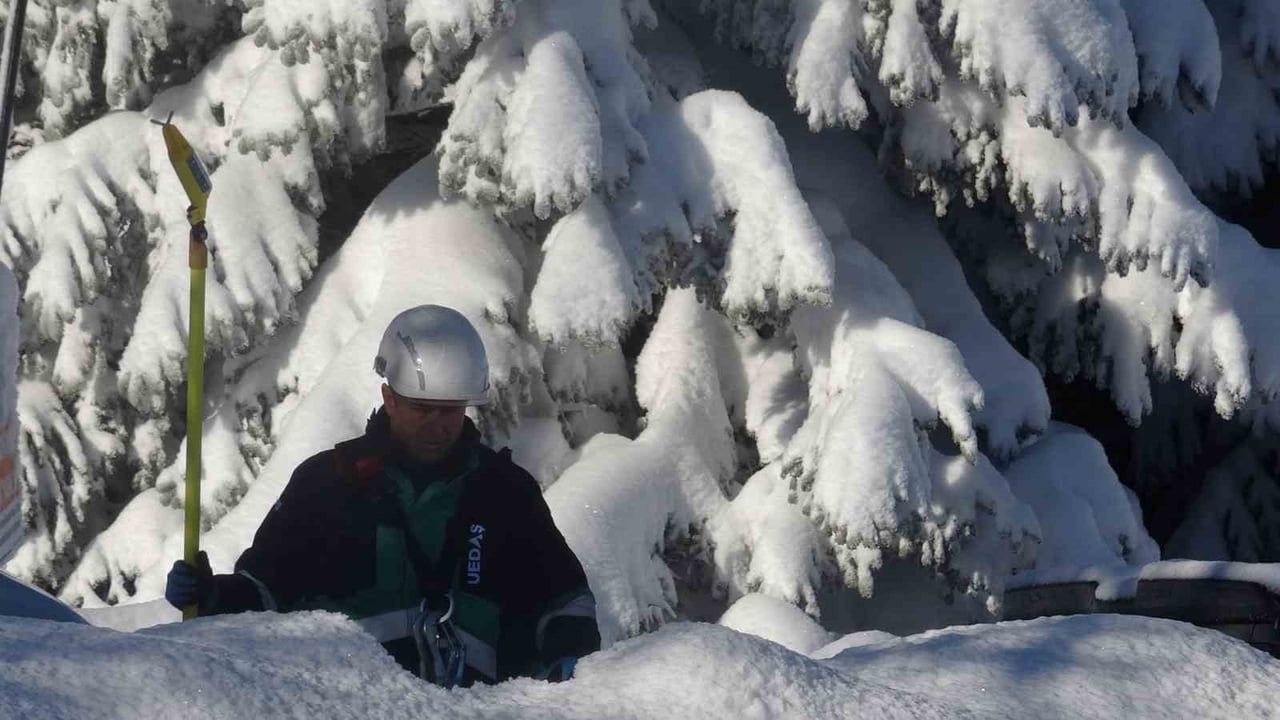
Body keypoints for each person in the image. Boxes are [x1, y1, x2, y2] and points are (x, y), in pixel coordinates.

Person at [165, 305, 599, 687]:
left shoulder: (505, 493)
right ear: (389, 398)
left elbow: (564, 598)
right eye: (421, 409)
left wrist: (569, 657)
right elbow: (267, 593)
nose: (437, 424)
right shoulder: (328, 483)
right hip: (349, 707)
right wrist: (213, 597)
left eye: (450, 410)